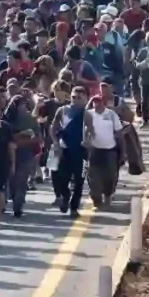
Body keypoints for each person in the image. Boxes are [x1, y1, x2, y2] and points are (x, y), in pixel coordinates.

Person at [51, 86, 90, 218]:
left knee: (80, 180)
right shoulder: (62, 110)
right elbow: (53, 127)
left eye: (79, 98)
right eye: (73, 97)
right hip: (65, 150)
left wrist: (89, 142)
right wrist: (56, 143)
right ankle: (65, 196)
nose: (75, 100)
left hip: (82, 152)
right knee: (62, 178)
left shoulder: (88, 114)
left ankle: (74, 207)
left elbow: (93, 131)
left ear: (85, 99)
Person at [84, 95, 123, 208]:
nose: (96, 104)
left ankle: (108, 195)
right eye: (94, 102)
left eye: (99, 102)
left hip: (110, 150)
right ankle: (96, 197)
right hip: (94, 150)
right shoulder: (88, 114)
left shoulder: (111, 114)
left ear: (103, 103)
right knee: (93, 176)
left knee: (110, 176)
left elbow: (119, 134)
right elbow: (83, 131)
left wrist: (123, 151)